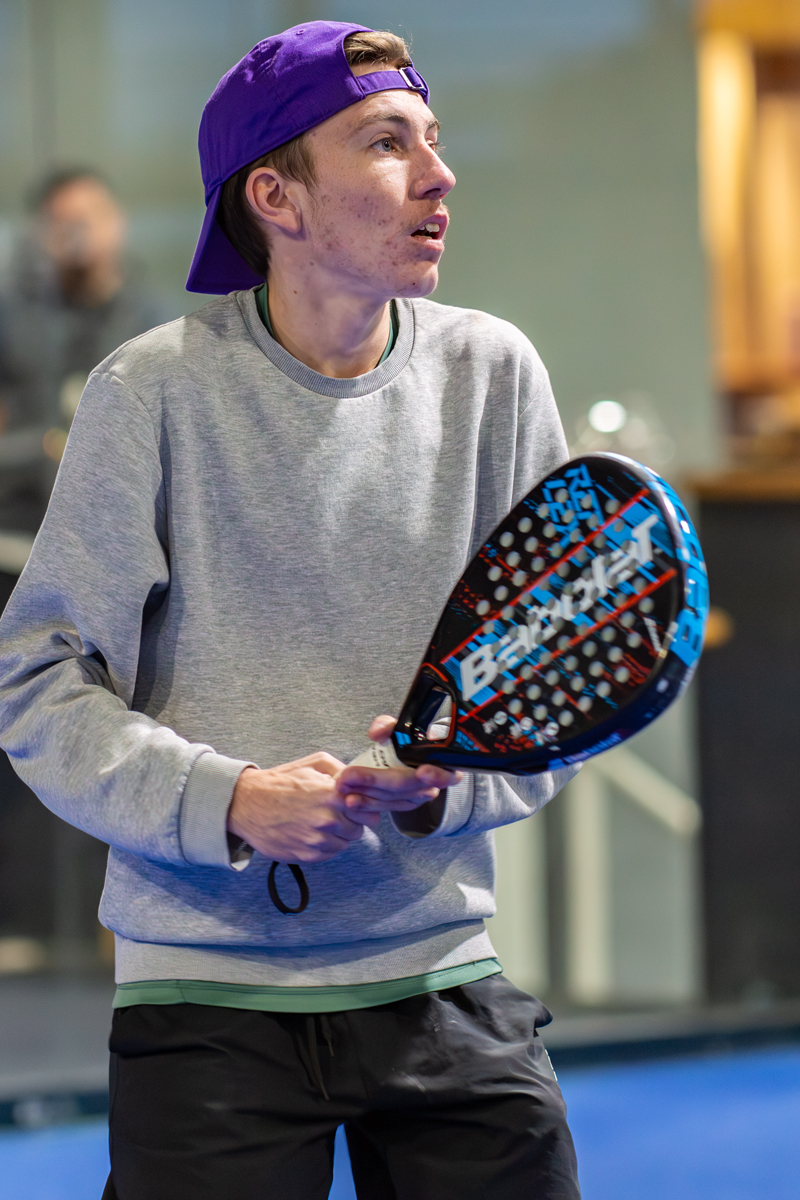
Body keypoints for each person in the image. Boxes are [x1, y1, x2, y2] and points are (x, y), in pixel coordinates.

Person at [0, 22, 581, 1200]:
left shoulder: (495, 376)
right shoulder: (148, 392)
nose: (438, 173)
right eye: (384, 143)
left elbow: (551, 683)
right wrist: (230, 803)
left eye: (432, 138)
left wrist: (448, 783)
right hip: (202, 999)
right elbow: (37, 684)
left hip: (441, 980)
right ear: (275, 196)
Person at [0, 168, 166, 537]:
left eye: (91, 215)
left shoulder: (158, 326)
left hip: (118, 536)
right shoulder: (11, 317)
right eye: (63, 220)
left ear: (118, 221)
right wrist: (38, 450)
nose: (78, 231)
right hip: (15, 534)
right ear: (41, 232)